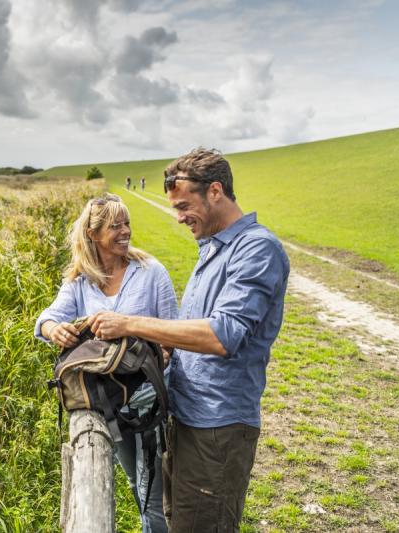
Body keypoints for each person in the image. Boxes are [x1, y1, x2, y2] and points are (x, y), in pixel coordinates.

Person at [89, 148, 290, 533]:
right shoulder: (213, 247)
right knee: (179, 519)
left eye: (184, 206)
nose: (179, 217)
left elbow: (223, 334)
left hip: (217, 426)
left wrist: (131, 324)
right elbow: (196, 329)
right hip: (185, 417)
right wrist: (167, 353)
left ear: (215, 191)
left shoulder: (256, 249)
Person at [35, 193, 177, 533]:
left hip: (147, 402)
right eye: (115, 226)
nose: (125, 231)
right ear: (93, 234)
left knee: (150, 494)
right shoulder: (80, 280)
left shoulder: (151, 272)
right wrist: (55, 330)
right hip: (108, 403)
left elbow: (174, 332)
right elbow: (46, 319)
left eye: (127, 223)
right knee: (136, 482)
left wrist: (162, 353)